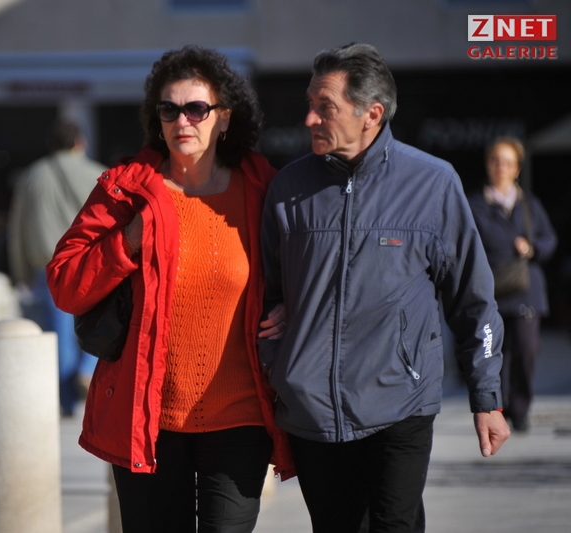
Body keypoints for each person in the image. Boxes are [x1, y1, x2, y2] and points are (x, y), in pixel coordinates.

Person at [260, 43, 510, 533]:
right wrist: (279, 359)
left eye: (325, 107)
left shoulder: (433, 183)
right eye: (310, 103)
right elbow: (267, 294)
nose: (309, 118)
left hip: (401, 403)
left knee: (394, 524)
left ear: (371, 114)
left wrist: (487, 397)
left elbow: (473, 299)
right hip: (313, 411)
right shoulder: (287, 189)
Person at [46, 45, 294, 533]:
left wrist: (291, 305)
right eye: (169, 109)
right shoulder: (126, 189)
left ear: (224, 117)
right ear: (156, 119)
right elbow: (65, 283)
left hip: (241, 417)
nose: (183, 120)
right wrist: (127, 240)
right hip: (149, 419)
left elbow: (305, 264)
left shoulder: (262, 187)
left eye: (197, 108)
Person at [7, 120, 106, 416]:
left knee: (60, 336)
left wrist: (20, 271)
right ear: (80, 143)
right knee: (101, 323)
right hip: (90, 263)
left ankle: (66, 403)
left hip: (48, 266)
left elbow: (17, 228)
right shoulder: (98, 174)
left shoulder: (31, 176)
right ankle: (87, 369)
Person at [467, 137, 557, 432]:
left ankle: (520, 409)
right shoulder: (474, 204)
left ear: (517, 169)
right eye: (496, 161)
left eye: (508, 162)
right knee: (490, 356)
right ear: (488, 165)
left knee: (526, 351)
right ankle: (497, 408)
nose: (501, 167)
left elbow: (550, 239)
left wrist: (532, 248)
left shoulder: (529, 204)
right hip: (489, 292)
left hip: (525, 291)